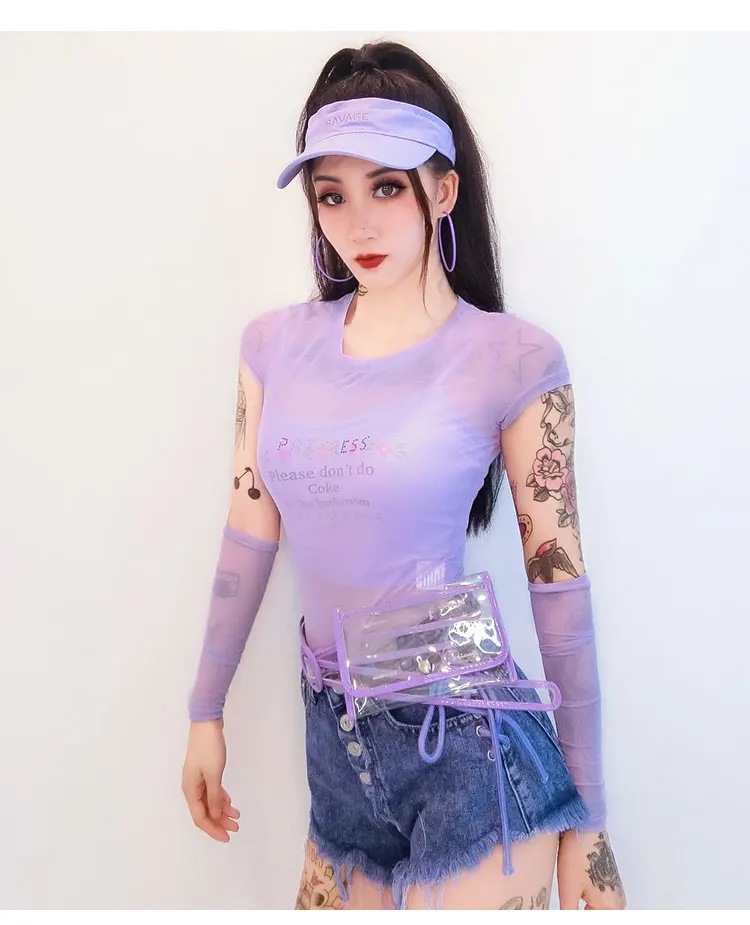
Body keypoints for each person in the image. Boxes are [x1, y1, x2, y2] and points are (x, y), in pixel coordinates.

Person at [181, 40, 627, 911]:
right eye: (332, 195)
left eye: (387, 187)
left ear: (443, 191)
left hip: (469, 750)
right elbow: (247, 536)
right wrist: (205, 709)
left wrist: (593, 822)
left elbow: (559, 588)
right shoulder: (273, 347)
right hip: (334, 756)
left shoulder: (513, 358)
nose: (359, 224)